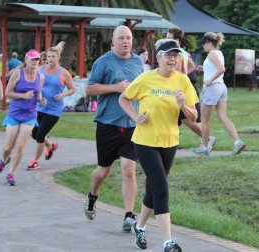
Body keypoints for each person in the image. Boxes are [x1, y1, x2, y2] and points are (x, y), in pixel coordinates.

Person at [119, 38, 198, 251]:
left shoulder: (183, 81)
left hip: (170, 142)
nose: (173, 59)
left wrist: (183, 105)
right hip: (145, 142)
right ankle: (167, 242)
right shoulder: (146, 79)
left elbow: (193, 115)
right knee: (161, 188)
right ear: (159, 57)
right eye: (169, 55)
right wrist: (135, 116)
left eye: (176, 55)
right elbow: (123, 98)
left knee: (152, 189)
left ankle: (140, 226)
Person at [84, 25, 143, 232]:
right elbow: (89, 88)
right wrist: (115, 88)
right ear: (113, 41)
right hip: (107, 124)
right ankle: (92, 196)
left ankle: (128, 215)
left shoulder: (138, 62)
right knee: (103, 171)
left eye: (128, 38)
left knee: (129, 168)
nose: (126, 41)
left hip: (131, 125)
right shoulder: (103, 62)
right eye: (121, 38)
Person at [0, 49, 44, 186]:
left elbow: (38, 93)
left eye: (37, 59)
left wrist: (41, 100)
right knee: (8, 148)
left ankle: (11, 173)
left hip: (30, 115)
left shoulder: (40, 77)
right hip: (15, 113)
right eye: (32, 59)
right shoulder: (17, 73)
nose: (35, 62)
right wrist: (23, 95)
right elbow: (7, 92)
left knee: (20, 146)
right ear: (26, 60)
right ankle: (4, 160)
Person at [192, 32, 246, 155]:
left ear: (210, 43)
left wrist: (209, 80)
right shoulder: (218, 53)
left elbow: (222, 69)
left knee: (204, 120)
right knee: (223, 116)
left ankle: (205, 147)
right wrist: (204, 69)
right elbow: (217, 68)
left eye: (204, 43)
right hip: (221, 87)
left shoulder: (211, 54)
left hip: (212, 88)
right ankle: (237, 142)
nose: (203, 46)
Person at [166, 27, 216, 151]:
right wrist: (185, 75)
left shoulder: (176, 54)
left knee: (185, 118)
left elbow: (174, 71)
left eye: (168, 38)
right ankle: (173, 143)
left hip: (178, 89)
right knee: (179, 117)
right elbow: (192, 67)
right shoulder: (184, 52)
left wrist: (180, 78)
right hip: (183, 87)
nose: (166, 40)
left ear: (177, 39)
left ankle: (208, 138)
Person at [27, 42, 75, 170]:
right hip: (39, 107)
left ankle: (35, 161)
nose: (50, 59)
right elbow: (33, 81)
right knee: (34, 133)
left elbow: (72, 89)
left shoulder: (63, 73)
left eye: (53, 57)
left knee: (40, 135)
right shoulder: (40, 69)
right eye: (48, 57)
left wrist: (64, 95)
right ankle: (50, 146)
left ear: (58, 58)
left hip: (54, 110)